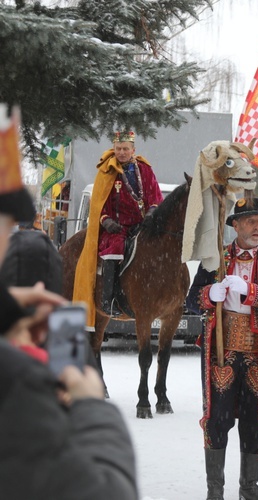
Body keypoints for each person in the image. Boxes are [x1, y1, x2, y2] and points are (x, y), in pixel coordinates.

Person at [0, 103, 138, 500]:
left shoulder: (141, 171)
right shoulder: (19, 379)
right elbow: (103, 489)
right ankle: (110, 295)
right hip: (114, 233)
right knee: (109, 255)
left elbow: (149, 202)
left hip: (138, 229)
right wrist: (90, 405)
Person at [186, 197, 258, 500]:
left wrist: (252, 291)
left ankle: (248, 487)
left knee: (255, 420)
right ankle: (215, 491)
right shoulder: (215, 260)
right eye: (250, 220)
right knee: (217, 418)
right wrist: (209, 293)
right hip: (222, 351)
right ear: (235, 225)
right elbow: (191, 300)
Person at [73, 131, 163, 322]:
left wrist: (151, 213)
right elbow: (98, 203)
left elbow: (154, 195)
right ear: (114, 149)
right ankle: (108, 300)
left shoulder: (145, 170)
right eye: (118, 149)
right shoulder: (107, 171)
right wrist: (106, 220)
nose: (121, 152)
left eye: (125, 149)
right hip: (116, 228)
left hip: (141, 225)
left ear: (133, 150)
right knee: (115, 248)